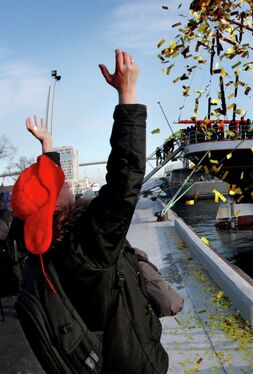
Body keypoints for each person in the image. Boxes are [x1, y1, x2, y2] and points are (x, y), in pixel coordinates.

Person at [12, 49, 169, 373]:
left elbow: (45, 198)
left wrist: (48, 146)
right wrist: (128, 96)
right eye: (62, 183)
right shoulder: (88, 244)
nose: (69, 183)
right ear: (55, 205)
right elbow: (124, 181)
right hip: (132, 362)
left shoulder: (41, 248)